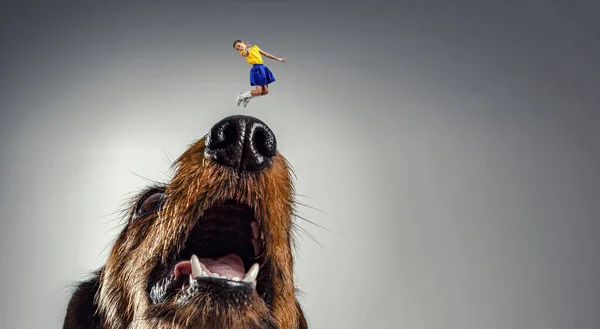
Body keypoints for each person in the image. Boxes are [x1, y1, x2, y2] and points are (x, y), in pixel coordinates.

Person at [233, 40, 285, 107]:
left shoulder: (255, 47)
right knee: (259, 91)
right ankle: (241, 96)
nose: (240, 48)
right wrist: (247, 49)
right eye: (238, 49)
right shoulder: (243, 52)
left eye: (239, 46)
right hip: (256, 70)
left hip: (263, 68)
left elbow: (266, 54)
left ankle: (248, 98)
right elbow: (246, 54)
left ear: (243, 42)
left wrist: (278, 59)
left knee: (265, 92)